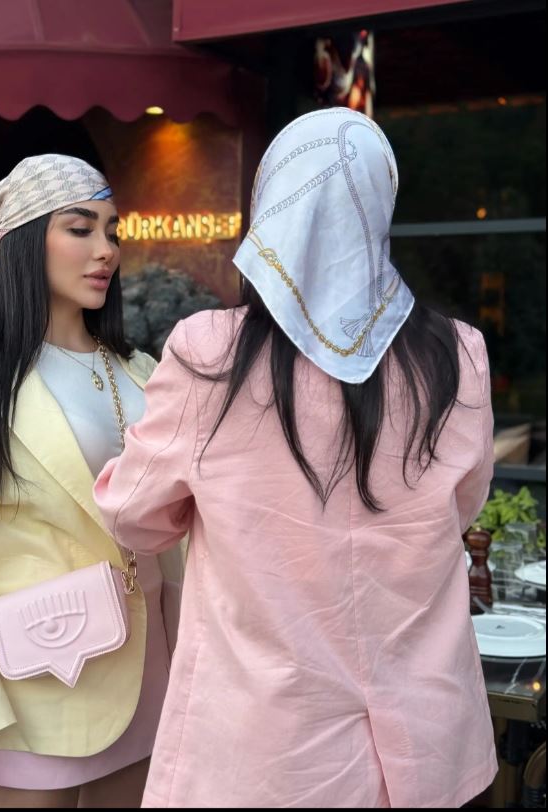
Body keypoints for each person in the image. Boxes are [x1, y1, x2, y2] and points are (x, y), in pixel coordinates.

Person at [93, 109, 499, 808]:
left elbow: (133, 516)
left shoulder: (210, 351)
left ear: (270, 209)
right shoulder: (458, 353)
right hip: (425, 744)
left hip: (264, 755)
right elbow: (460, 507)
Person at [0, 154, 183, 808]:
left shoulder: (142, 371)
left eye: (111, 231)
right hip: (33, 689)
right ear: (23, 243)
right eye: (80, 228)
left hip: (153, 680)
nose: (105, 249)